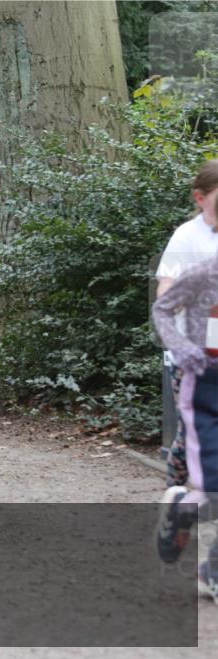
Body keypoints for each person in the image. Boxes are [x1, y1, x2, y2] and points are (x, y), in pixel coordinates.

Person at [152, 250, 218, 605]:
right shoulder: (204, 272)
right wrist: (182, 347)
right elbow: (162, 309)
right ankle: (185, 509)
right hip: (207, 388)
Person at [156, 159, 218, 488]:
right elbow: (165, 290)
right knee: (192, 429)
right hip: (195, 354)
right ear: (200, 198)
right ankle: (177, 492)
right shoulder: (186, 237)